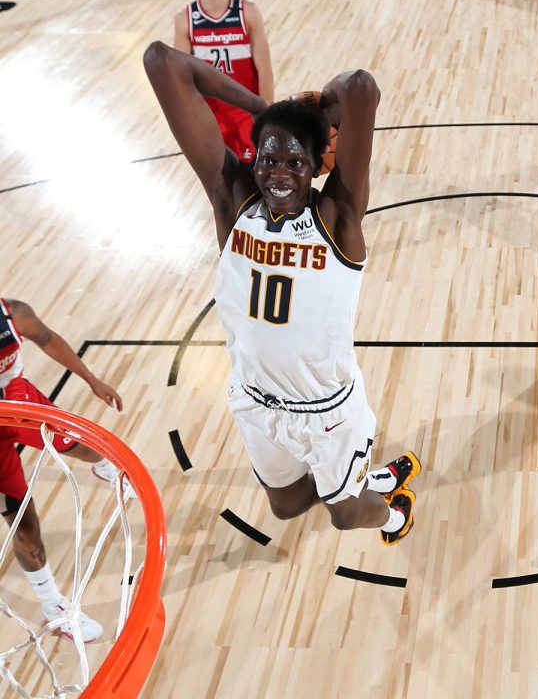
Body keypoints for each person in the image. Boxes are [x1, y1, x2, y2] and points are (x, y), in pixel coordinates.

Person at [143, 41, 421, 545]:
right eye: (269, 159)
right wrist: (263, 107)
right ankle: (357, 479)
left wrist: (314, 109)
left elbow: (359, 87)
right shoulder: (233, 204)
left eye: (295, 162)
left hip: (326, 411)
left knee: (345, 515)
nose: (279, 173)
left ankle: (393, 512)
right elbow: (163, 60)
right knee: (287, 506)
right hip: (254, 399)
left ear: (317, 166)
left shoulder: (337, 218)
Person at [0, 298, 124, 642]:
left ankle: (104, 468)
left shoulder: (14, 313)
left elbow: (48, 339)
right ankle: (53, 605)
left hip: (17, 400)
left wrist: (92, 380)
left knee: (83, 444)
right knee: (25, 526)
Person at [173, 0, 274, 166]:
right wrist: (189, 121)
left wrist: (267, 112)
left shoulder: (247, 11)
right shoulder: (185, 19)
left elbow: (264, 67)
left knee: (256, 173)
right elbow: (180, 79)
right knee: (221, 179)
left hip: (247, 111)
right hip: (211, 116)